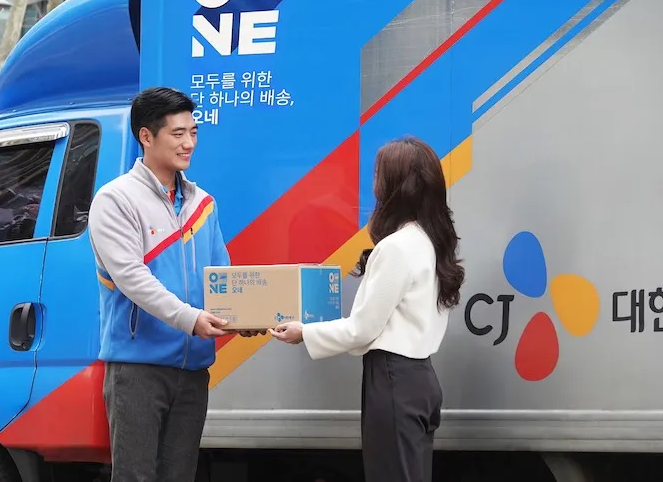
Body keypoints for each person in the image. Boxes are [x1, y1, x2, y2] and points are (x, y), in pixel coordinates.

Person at [270, 136, 465, 482]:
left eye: (378, 173)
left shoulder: (396, 247)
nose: (373, 181)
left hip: (393, 380)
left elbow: (362, 329)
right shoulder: (428, 241)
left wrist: (305, 332)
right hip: (419, 378)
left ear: (395, 184)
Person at [88, 86, 233, 482]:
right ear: (146, 136)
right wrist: (190, 319)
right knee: (135, 477)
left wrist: (242, 316)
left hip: (193, 368)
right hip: (139, 368)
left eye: (193, 132)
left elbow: (220, 273)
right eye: (178, 133)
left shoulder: (202, 203)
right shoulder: (116, 200)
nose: (189, 143)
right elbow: (131, 277)